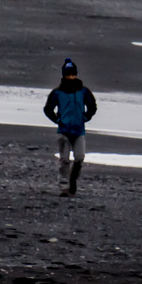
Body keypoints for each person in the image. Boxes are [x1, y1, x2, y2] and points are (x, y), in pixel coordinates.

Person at [42, 58, 98, 196]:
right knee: (64, 160)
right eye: (68, 74)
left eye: (73, 74)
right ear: (64, 75)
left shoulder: (83, 91)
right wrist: (58, 120)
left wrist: (85, 117)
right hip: (64, 131)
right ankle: (64, 188)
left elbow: (92, 106)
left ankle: (72, 179)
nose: (71, 77)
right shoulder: (57, 92)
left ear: (76, 74)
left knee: (79, 158)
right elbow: (48, 109)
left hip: (79, 131)